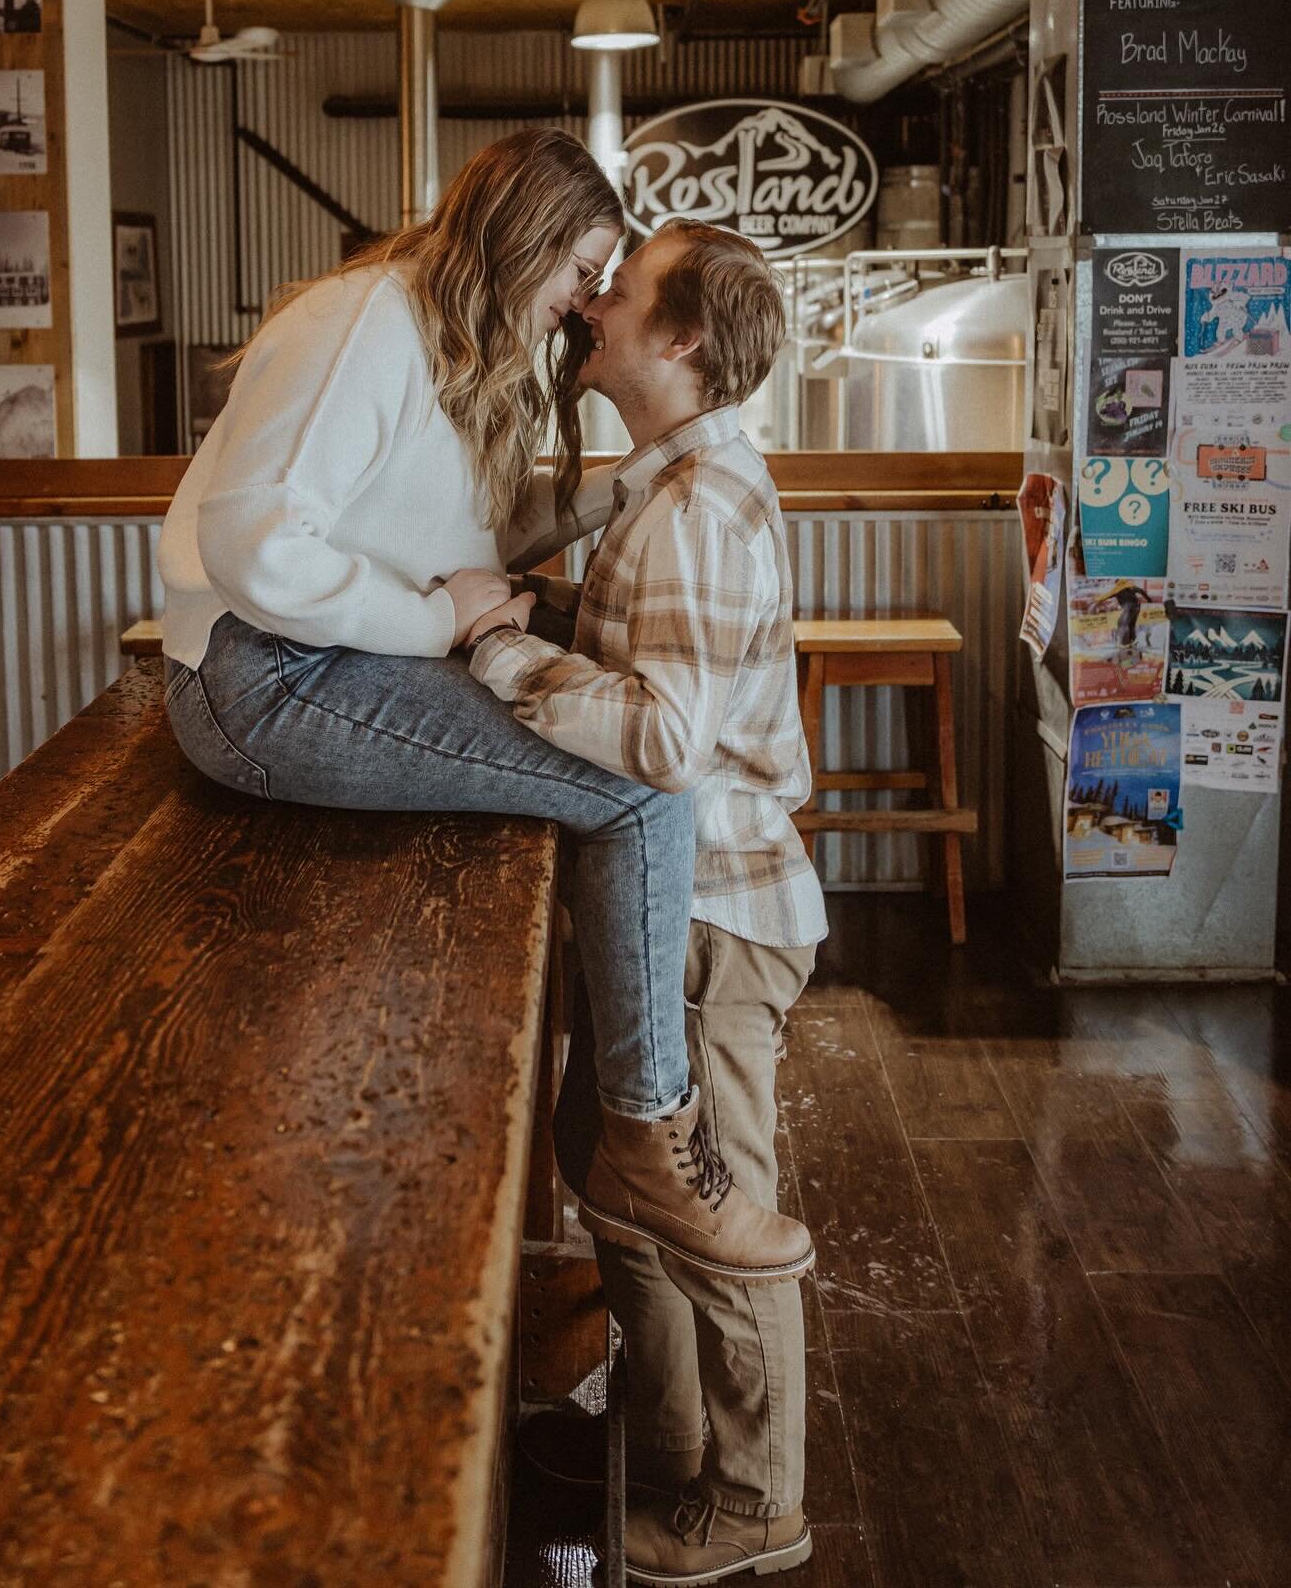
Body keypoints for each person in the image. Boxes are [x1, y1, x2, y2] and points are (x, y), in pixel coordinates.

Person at [156, 131, 811, 1283]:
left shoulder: (444, 333)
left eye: (606, 283)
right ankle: (653, 1140)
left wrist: (622, 495)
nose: (581, 304)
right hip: (255, 681)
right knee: (638, 782)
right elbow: (251, 542)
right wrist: (443, 623)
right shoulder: (366, 321)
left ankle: (624, 1145)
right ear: (529, 240)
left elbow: (442, 541)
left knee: (624, 756)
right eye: (581, 270)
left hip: (316, 663)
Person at [474, 221, 826, 1583]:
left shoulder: (689, 509)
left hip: (715, 916)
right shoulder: (672, 478)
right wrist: (547, 609)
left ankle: (754, 1503)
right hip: (677, 900)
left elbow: (669, 739)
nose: (594, 299)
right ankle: (668, 1438)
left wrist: (499, 645)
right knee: (610, 1160)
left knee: (711, 1206)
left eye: (620, 288)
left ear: (679, 339)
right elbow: (652, 653)